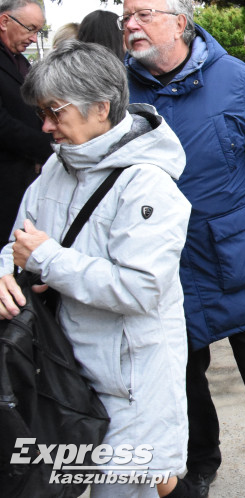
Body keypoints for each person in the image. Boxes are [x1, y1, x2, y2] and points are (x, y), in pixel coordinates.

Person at [121, 0, 245, 498]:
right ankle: (198, 466)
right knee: (181, 380)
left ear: (180, 22)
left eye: (144, 15)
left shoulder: (236, 78)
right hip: (164, 264)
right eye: (126, 16)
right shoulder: (117, 89)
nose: (131, 25)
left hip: (239, 253)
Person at [0, 41, 191, 497]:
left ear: (101, 108)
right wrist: (5, 272)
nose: (45, 127)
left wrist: (47, 260)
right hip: (60, 372)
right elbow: (18, 243)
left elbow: (140, 288)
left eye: (55, 112)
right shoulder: (55, 166)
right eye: (41, 113)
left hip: (129, 383)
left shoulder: (147, 184)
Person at [0, 0, 52, 242]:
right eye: (30, 29)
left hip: (23, 179)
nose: (33, 38)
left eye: (37, 31)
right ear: (4, 21)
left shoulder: (21, 62)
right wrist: (47, 149)